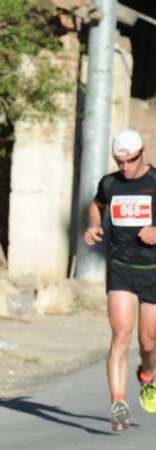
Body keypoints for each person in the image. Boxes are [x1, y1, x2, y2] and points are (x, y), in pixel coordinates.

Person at [83, 128, 156, 431]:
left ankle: (148, 375)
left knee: (148, 341)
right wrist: (93, 226)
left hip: (152, 271)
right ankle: (118, 403)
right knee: (121, 334)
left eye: (130, 160)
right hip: (121, 268)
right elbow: (95, 205)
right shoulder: (109, 183)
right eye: (119, 161)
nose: (124, 167)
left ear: (143, 153)